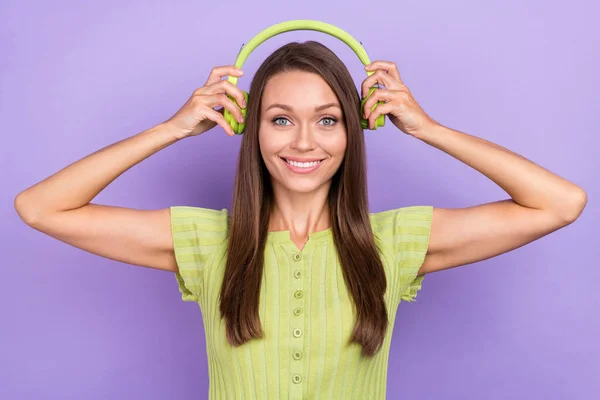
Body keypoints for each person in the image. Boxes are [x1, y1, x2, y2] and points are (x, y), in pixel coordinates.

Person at [14, 41, 587, 399]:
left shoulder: (396, 242)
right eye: (281, 120)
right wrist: (171, 128)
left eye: (328, 120)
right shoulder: (207, 240)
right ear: (249, 129)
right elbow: (39, 207)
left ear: (354, 129)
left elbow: (560, 203)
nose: (305, 141)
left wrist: (428, 128)